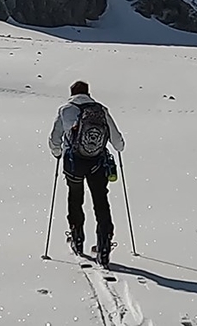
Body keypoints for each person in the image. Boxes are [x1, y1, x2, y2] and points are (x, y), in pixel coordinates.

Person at [48, 80, 125, 266]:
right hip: (97, 163)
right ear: (88, 92)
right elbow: (117, 142)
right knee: (101, 203)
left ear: (71, 92)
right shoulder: (101, 110)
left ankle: (77, 238)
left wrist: (58, 153)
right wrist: (118, 148)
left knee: (75, 198)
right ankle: (104, 247)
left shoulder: (65, 110)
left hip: (73, 162)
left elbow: (54, 139)